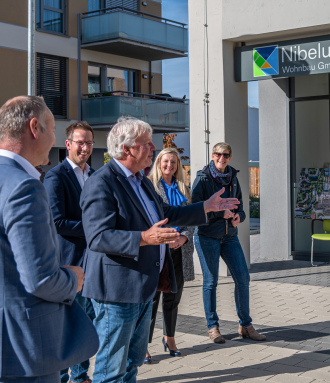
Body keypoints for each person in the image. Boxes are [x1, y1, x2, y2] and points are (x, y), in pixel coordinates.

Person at [80, 117, 239, 383]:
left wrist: (205, 208)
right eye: (146, 143)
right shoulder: (102, 182)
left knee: (132, 363)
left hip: (143, 287)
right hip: (116, 291)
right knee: (111, 368)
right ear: (127, 148)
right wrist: (144, 237)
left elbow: (166, 213)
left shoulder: (141, 181)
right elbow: (98, 237)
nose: (153, 147)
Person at [0, 96, 99, 383]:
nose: (55, 138)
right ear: (34, 127)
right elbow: (40, 279)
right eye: (53, 129)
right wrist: (72, 279)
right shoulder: (23, 187)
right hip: (26, 349)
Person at [192, 142, 266, 343]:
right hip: (207, 236)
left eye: (225, 155)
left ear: (230, 157)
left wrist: (238, 218)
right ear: (212, 155)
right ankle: (213, 327)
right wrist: (219, 213)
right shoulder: (202, 178)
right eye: (217, 154)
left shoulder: (233, 177)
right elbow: (195, 210)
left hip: (230, 236)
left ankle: (245, 325)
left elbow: (241, 206)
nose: (221, 158)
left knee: (243, 277)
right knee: (210, 282)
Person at [44, 121, 96, 383]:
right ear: (68, 144)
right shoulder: (56, 176)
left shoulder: (95, 175)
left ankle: (80, 374)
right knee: (66, 324)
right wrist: (94, 229)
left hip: (94, 261)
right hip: (68, 261)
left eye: (88, 142)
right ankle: (61, 376)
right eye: (80, 142)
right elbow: (57, 222)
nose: (85, 147)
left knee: (84, 321)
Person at [145, 148, 195, 362]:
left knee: (173, 298)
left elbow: (191, 218)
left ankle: (170, 338)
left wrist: (183, 237)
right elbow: (148, 218)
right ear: (159, 163)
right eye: (166, 161)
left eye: (173, 162)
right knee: (152, 299)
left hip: (179, 250)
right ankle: (143, 344)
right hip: (158, 250)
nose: (169, 166)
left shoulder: (184, 188)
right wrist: (166, 238)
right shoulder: (150, 186)